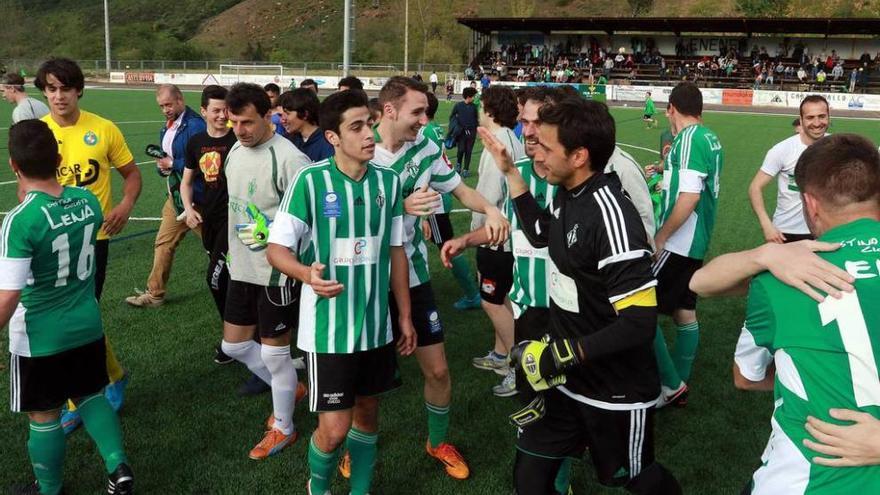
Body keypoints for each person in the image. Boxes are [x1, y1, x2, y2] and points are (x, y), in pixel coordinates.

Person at [479, 96, 681, 494]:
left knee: (637, 478)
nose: (537, 151)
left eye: (548, 148)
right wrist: (510, 173)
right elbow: (540, 233)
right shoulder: (568, 193)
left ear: (579, 156)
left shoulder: (611, 215)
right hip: (564, 379)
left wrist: (559, 353)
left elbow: (639, 324)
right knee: (530, 479)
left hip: (615, 388)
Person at [691, 134, 880, 493]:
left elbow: (745, 376)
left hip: (803, 479)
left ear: (810, 204)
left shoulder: (783, 280)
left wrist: (762, 256)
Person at [266, 88, 416, 495]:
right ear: (333, 137)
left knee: (368, 414)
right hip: (328, 331)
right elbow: (276, 250)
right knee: (334, 430)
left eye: (370, 123)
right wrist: (305, 274)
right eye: (357, 127)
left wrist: (403, 315)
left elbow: (397, 251)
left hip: (376, 328)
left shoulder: (388, 182)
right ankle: (318, 488)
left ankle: (360, 490)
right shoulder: (310, 182)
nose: (369, 133)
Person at [359, 76, 509, 481]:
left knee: (439, 370)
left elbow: (460, 190)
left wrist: (492, 211)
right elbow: (343, 219)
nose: (426, 119)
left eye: (426, 111)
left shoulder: (425, 147)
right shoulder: (360, 149)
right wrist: (398, 204)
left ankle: (437, 440)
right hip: (365, 280)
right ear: (389, 111)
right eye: (417, 112)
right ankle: (359, 448)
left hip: (412, 272)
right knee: (366, 380)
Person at [2, 119, 133, 495]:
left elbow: (8, 295)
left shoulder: (20, 221)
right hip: (86, 322)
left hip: (40, 335)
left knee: (43, 414)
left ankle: (49, 489)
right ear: (59, 158)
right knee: (91, 394)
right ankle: (117, 465)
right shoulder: (88, 201)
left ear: (14, 164)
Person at [36, 57, 141, 433]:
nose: (59, 95)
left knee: (77, 314)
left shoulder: (103, 128)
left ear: (78, 89)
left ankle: (76, 398)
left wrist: (125, 206)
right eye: (51, 88)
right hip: (49, 241)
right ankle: (111, 375)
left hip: (92, 239)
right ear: (44, 92)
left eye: (66, 88)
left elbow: (131, 174)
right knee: (71, 316)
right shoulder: (38, 132)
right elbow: (27, 187)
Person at [220, 83, 312, 459]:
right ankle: (289, 385)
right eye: (233, 122)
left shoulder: (290, 160)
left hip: (276, 272)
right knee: (235, 345)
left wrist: (273, 235)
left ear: (268, 116)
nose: (239, 130)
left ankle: (284, 427)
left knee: (276, 355)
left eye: (247, 122)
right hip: (241, 267)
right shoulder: (234, 151)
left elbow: (310, 221)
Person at [651, 82, 723, 407]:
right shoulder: (710, 137)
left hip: (679, 242)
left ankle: (671, 383)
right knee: (684, 310)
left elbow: (691, 195)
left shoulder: (687, 139)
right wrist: (664, 169)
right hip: (697, 239)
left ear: (671, 109)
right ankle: (676, 383)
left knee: (637, 310)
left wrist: (661, 236)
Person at [125, 84, 206, 308]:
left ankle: (242, 287)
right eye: (161, 106)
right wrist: (163, 168)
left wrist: (174, 164)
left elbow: (204, 161)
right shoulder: (167, 127)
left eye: (168, 105)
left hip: (198, 200)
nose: (165, 110)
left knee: (217, 247)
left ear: (180, 100)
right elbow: (168, 160)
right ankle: (155, 294)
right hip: (176, 199)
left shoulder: (196, 125)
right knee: (163, 243)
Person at [468, 86, 525, 397]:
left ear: (489, 111)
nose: (479, 111)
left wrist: (475, 233)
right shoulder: (510, 138)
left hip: (496, 238)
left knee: (492, 301)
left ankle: (520, 366)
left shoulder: (497, 144)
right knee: (501, 298)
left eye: (482, 106)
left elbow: (489, 196)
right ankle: (501, 353)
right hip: (507, 235)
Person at [179, 85, 238, 365]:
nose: (222, 115)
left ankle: (233, 341)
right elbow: (186, 182)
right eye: (216, 110)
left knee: (214, 278)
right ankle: (243, 336)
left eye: (225, 110)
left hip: (235, 221)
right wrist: (188, 209)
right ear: (203, 111)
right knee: (227, 279)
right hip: (209, 220)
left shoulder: (238, 140)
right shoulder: (196, 142)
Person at [420, 91, 481, 311]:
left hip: (434, 200)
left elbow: (425, 170)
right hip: (439, 197)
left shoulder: (424, 132)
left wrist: (425, 212)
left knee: (447, 246)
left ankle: (472, 294)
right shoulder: (433, 128)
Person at [748, 95, 829, 244]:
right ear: (801, 119)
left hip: (825, 230)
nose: (817, 123)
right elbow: (755, 187)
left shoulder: (838, 148)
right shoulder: (782, 149)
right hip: (787, 231)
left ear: (828, 117)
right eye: (810, 117)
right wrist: (767, 225)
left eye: (822, 116)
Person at [278, 89, 334, 162]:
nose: (282, 119)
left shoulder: (328, 143)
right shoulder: (287, 140)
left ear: (305, 114)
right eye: (281, 115)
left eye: (288, 113)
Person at [450, 87, 478, 177]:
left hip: (472, 132)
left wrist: (476, 127)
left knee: (468, 151)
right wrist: (455, 126)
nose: (474, 98)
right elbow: (452, 117)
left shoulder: (474, 107)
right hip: (461, 132)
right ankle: (458, 165)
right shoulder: (458, 106)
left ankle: (466, 169)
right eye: (473, 96)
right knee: (461, 149)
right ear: (468, 96)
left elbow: (476, 119)